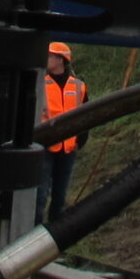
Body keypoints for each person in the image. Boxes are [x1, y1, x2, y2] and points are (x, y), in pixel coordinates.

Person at [40, 41, 89, 225]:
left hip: (68, 149)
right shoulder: (40, 84)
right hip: (45, 147)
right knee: (40, 197)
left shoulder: (78, 86)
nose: (46, 59)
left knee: (59, 197)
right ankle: (33, 235)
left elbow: (86, 116)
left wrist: (80, 141)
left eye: (50, 56)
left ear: (61, 59)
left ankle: (54, 235)